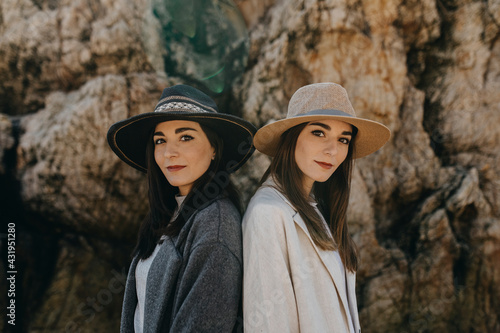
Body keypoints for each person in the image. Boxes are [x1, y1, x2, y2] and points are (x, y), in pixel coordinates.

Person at [242, 82, 391, 332]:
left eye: (343, 139)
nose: (333, 150)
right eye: (319, 133)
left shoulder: (316, 208)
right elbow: (269, 324)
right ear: (291, 138)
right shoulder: (268, 213)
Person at [107, 84, 256, 332]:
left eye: (185, 137)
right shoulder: (169, 214)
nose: (169, 153)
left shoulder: (215, 226)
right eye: (160, 140)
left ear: (214, 149)